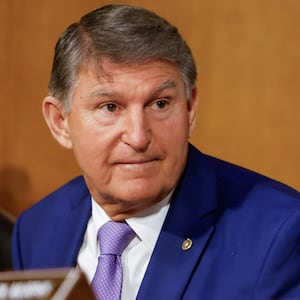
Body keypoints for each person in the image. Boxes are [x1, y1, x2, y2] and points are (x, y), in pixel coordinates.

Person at [12, 4, 300, 299]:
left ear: (189, 108)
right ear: (60, 122)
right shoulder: (35, 230)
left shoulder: (279, 234)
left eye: (160, 103)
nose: (138, 137)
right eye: (110, 107)